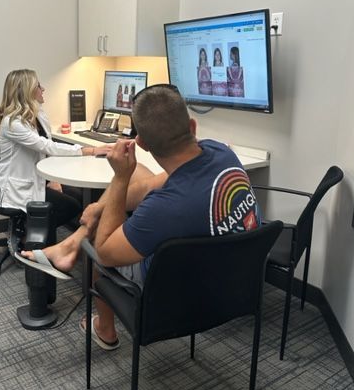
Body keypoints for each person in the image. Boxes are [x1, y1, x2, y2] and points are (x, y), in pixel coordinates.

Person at [21, 84, 260, 349]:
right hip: (236, 279)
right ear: (193, 127)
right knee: (140, 175)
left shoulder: (163, 208)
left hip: (183, 289)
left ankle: (105, 329)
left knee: (101, 249)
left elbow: (105, 251)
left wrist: (121, 176)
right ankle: (72, 243)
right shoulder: (221, 152)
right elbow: (151, 184)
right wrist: (103, 204)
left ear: (141, 143)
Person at [0, 69, 111, 226]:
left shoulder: (38, 114)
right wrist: (90, 150)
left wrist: (53, 179)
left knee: (78, 196)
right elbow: (47, 146)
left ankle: (51, 238)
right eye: (38, 86)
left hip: (38, 178)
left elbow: (47, 152)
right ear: (27, 92)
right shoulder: (13, 124)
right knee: (71, 206)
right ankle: (29, 235)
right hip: (20, 187)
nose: (43, 89)